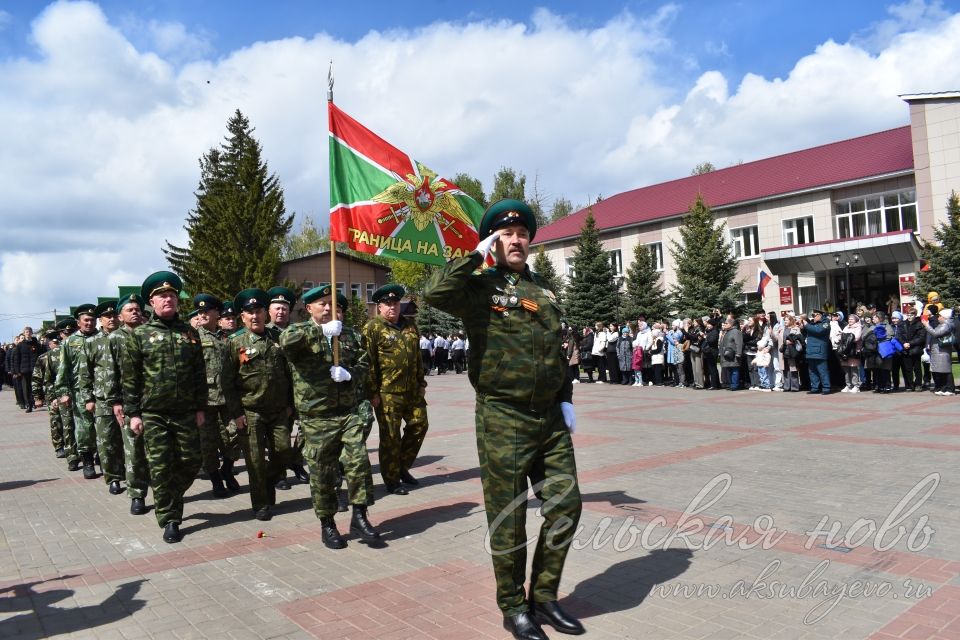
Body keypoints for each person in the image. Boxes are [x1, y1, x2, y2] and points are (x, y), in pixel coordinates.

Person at [424, 199, 583, 640]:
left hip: (550, 421)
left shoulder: (545, 292)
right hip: (503, 418)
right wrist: (475, 255)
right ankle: (513, 606)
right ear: (495, 240)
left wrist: (566, 398)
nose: (516, 240)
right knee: (510, 516)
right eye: (506, 234)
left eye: (522, 234)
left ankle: (545, 597)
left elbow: (556, 350)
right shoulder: (480, 288)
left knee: (566, 507)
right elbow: (434, 295)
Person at [279, 284, 380, 549]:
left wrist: (351, 375)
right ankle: (328, 523)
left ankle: (360, 516)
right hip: (316, 415)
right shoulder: (298, 331)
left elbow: (365, 362)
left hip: (347, 412)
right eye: (322, 304)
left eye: (332, 304)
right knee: (322, 472)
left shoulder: (348, 334)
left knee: (358, 464)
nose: (327, 308)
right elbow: (285, 343)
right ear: (309, 308)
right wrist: (319, 331)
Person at [121, 271, 207, 543]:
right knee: (160, 467)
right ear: (152, 302)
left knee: (192, 461)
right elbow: (130, 377)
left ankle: (169, 495)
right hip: (154, 413)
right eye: (161, 296)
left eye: (171, 295)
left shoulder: (189, 333)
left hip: (185, 412)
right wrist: (134, 414)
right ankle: (170, 518)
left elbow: (198, 374)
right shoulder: (140, 335)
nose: (167, 299)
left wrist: (200, 407)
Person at [226, 288, 294, 521]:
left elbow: (289, 373)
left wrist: (290, 404)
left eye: (258, 311)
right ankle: (261, 503)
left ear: (266, 314)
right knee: (254, 460)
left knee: (284, 452)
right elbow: (227, 382)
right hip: (250, 411)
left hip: (278, 410)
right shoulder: (235, 343)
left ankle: (267, 481)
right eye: (249, 313)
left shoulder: (278, 339)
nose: (255, 316)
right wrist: (236, 413)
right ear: (242, 317)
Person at [363, 284, 429, 494]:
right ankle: (391, 480)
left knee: (420, 426)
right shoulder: (372, 328)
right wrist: (372, 392)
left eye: (395, 303)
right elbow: (368, 362)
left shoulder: (410, 325)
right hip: (387, 393)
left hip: (412, 391)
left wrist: (421, 383)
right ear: (379, 307)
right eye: (387, 304)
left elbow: (417, 357)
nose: (392, 307)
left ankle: (401, 467)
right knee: (390, 437)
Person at [107, 294, 151, 515]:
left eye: (137, 309)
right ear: (120, 315)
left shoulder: (151, 333)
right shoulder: (115, 338)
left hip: (154, 401)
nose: (135, 312)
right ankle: (137, 494)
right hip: (128, 401)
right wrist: (115, 400)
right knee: (133, 450)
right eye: (129, 309)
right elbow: (110, 371)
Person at [81, 300, 127, 495]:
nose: (111, 319)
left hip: (127, 398)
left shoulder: (127, 338)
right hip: (103, 400)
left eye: (114, 315)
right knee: (107, 442)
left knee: (129, 439)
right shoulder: (92, 342)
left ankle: (132, 474)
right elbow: (84, 373)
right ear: (101, 319)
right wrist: (88, 398)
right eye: (107, 316)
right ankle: (113, 478)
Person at [193, 293, 237, 497]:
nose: (201, 315)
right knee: (208, 444)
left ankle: (227, 469)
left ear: (216, 313)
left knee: (235, 437)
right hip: (206, 400)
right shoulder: (193, 337)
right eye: (199, 311)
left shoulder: (224, 337)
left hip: (227, 398)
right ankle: (216, 480)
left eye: (206, 311)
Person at [56, 304, 101, 479]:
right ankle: (88, 461)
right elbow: (63, 368)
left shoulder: (102, 338)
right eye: (86, 320)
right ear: (78, 322)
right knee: (84, 428)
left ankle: (103, 459)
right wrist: (63, 392)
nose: (90, 323)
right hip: (79, 391)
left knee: (103, 427)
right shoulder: (69, 342)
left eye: (92, 320)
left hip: (102, 390)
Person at [32, 330, 65, 458]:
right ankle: (59, 446)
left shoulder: (66, 354)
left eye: (57, 341)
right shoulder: (43, 358)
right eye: (52, 342)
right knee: (56, 420)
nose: (55, 344)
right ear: (48, 343)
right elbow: (36, 379)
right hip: (52, 394)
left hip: (67, 394)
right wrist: (37, 397)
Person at [922, 307, 956, 395]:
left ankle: (950, 388)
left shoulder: (947, 324)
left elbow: (936, 333)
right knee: (940, 370)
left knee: (946, 370)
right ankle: (943, 387)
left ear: (945, 317)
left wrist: (927, 325)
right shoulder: (942, 324)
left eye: (940, 316)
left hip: (942, 350)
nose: (938, 317)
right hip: (938, 350)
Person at [801, 310, 832, 394]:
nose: (813, 317)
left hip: (820, 351)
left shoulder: (825, 323)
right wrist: (802, 327)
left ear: (820, 315)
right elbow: (805, 333)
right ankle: (815, 387)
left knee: (822, 370)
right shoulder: (811, 324)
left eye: (814, 315)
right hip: (811, 350)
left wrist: (806, 325)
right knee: (812, 371)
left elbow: (818, 331)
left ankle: (826, 388)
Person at [12, 326, 41, 412]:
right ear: (24, 334)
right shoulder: (20, 345)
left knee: (34, 387)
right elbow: (16, 359)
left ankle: (34, 402)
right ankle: (28, 404)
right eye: (26, 332)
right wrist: (17, 371)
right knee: (26, 388)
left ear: (32, 333)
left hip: (35, 369)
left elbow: (40, 356)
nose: (28, 334)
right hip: (24, 370)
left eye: (29, 332)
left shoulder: (36, 344)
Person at [838, 314, 863, 393]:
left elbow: (856, 338)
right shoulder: (846, 327)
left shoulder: (858, 327)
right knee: (846, 369)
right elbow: (842, 337)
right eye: (849, 319)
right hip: (845, 350)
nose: (850, 321)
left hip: (853, 350)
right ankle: (848, 385)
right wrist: (844, 337)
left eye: (852, 319)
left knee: (853, 369)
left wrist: (846, 336)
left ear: (856, 320)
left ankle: (856, 386)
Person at [719, 316, 742, 390]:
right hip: (726, 355)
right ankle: (730, 384)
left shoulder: (736, 332)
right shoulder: (726, 332)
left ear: (731, 324)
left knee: (734, 370)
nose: (724, 324)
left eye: (726, 323)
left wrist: (738, 353)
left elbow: (739, 343)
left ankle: (734, 385)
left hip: (734, 355)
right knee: (728, 370)